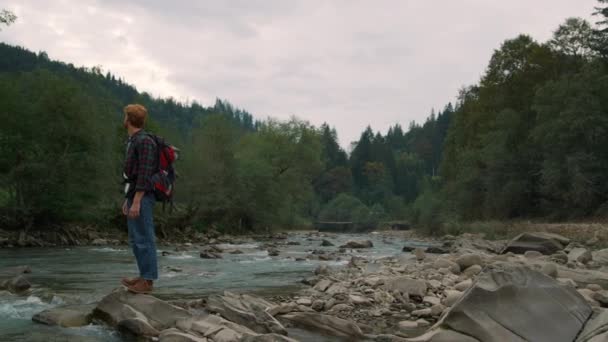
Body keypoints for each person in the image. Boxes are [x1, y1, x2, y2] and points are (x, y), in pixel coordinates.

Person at [120, 104, 158, 294]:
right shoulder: (134, 140)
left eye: (125, 116)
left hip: (142, 197)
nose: (123, 119)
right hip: (134, 195)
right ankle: (144, 276)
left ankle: (148, 281)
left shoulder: (144, 142)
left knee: (145, 238)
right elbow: (132, 175)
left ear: (128, 119)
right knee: (136, 239)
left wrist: (136, 200)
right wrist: (128, 199)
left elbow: (144, 174)